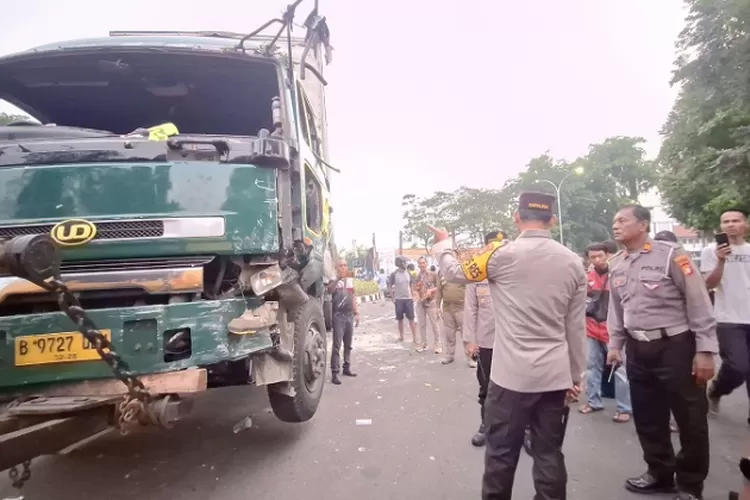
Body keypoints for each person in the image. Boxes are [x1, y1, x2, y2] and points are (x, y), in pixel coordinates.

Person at [430, 191, 587, 500]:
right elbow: (575, 327)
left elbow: (453, 273)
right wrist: (575, 376)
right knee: (549, 453)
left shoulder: (500, 256)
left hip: (510, 378)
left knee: (501, 455)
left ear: (517, 218)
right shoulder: (573, 262)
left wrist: (445, 243)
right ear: (552, 221)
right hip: (554, 378)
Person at [606, 204, 717, 500]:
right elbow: (617, 310)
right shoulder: (617, 263)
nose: (615, 226)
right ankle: (659, 473)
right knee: (647, 417)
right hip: (638, 349)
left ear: (642, 225)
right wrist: (615, 345)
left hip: (676, 347)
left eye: (622, 220)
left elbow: (699, 301)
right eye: (614, 221)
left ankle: (690, 485)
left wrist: (705, 350)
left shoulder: (671, 255)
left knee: (690, 418)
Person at [701, 208, 750, 420]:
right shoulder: (710, 251)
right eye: (726, 221)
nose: (730, 224)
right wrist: (721, 260)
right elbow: (708, 284)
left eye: (735, 220)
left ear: (745, 225)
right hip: (727, 318)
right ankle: (716, 389)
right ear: (720, 227)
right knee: (738, 366)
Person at [579, 242, 632, 422]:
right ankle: (594, 402)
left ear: (608, 254)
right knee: (592, 367)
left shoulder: (618, 273)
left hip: (613, 331)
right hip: (592, 328)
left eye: (600, 256)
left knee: (620, 370)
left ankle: (624, 408)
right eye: (592, 257)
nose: (597, 260)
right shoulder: (587, 276)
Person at [464, 230, 506, 447]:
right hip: (486, 342)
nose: (496, 249)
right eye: (492, 245)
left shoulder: (513, 271)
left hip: (512, 342)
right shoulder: (476, 275)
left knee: (520, 388)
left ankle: (524, 429)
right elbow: (470, 309)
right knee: (486, 387)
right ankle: (486, 426)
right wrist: (470, 340)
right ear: (485, 248)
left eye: (500, 244)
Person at [327, 258, 360, 385]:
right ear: (337, 268)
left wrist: (357, 313)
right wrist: (337, 279)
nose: (343, 268)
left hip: (349, 315)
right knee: (337, 345)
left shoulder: (350, 281)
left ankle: (347, 367)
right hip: (338, 316)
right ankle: (335, 372)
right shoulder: (333, 280)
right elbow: (329, 290)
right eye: (341, 265)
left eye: (345, 265)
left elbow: (353, 297)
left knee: (348, 344)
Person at [388, 256, 417, 344]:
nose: (406, 264)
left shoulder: (408, 273)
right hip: (399, 300)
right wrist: (392, 297)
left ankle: (415, 337)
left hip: (408, 299)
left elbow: (411, 284)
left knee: (411, 319)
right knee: (400, 319)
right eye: (404, 263)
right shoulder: (394, 274)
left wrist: (413, 295)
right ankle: (401, 336)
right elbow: (389, 285)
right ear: (400, 263)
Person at [415, 256, 441, 353]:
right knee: (422, 324)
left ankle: (437, 344)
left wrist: (431, 290)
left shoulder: (433, 274)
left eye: (423, 263)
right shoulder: (417, 276)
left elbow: (439, 286)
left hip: (431, 302)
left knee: (434, 324)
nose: (421, 265)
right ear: (418, 265)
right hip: (421, 302)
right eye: (420, 263)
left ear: (426, 264)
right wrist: (417, 294)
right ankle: (423, 343)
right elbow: (415, 288)